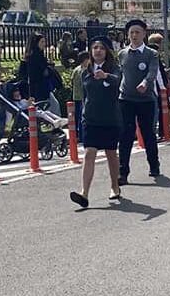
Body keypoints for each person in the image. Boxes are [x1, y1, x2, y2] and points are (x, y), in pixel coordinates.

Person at [69, 36, 123, 208]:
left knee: (110, 153)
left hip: (109, 118)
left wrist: (106, 76)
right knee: (89, 152)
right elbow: (84, 95)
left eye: (101, 48)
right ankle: (84, 193)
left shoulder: (114, 69)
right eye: (95, 48)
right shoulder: (86, 71)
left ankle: (115, 185)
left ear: (107, 51)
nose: (98, 51)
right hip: (90, 119)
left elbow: (119, 82)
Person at [116, 19, 161, 185]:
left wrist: (145, 83)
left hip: (145, 100)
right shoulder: (122, 54)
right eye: (131, 33)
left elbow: (152, 72)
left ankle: (154, 165)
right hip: (126, 99)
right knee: (126, 135)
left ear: (144, 34)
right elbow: (119, 75)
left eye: (137, 32)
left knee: (148, 133)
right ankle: (123, 172)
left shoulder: (151, 54)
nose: (134, 36)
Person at [24, 32, 52, 104]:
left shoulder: (40, 54)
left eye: (44, 41)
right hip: (37, 86)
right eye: (42, 42)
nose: (44, 44)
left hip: (42, 85)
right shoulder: (34, 56)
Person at [71, 51, 90, 144]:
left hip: (76, 96)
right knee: (82, 117)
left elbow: (72, 82)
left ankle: (76, 135)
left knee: (77, 117)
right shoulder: (84, 71)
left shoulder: (76, 70)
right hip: (82, 96)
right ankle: (82, 136)